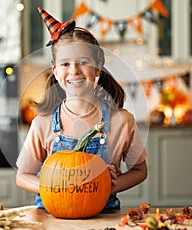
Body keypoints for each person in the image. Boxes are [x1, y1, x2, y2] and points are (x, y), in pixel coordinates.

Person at [16, 7, 147, 209]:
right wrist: (52, 185)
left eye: (83, 62)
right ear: (56, 71)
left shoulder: (122, 121)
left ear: (98, 66)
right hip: (53, 221)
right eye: (65, 64)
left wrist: (111, 185)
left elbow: (140, 170)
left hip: (103, 219)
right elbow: (23, 175)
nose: (74, 71)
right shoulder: (43, 122)